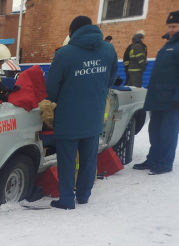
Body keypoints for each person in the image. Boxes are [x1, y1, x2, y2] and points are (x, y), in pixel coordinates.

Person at [45, 16, 118, 209]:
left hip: (69, 116)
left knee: (67, 160)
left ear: (71, 33)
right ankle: (84, 196)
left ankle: (67, 199)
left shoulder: (64, 54)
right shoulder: (108, 49)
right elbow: (111, 78)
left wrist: (63, 97)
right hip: (94, 115)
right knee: (88, 158)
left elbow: (51, 88)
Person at [134, 10, 179, 175]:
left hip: (173, 98)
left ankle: (164, 163)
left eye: (174, 26)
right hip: (159, 95)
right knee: (155, 129)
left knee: (168, 131)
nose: (170, 29)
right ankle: (153, 159)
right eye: (169, 26)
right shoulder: (172, 42)